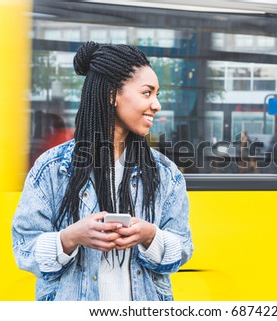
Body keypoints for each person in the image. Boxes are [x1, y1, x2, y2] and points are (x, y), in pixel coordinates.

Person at [12, 41, 194, 301]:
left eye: (157, 94)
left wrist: (149, 236)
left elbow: (182, 249)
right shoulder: (52, 169)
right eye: (147, 93)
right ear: (112, 94)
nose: (157, 105)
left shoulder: (166, 173)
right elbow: (24, 249)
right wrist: (70, 237)